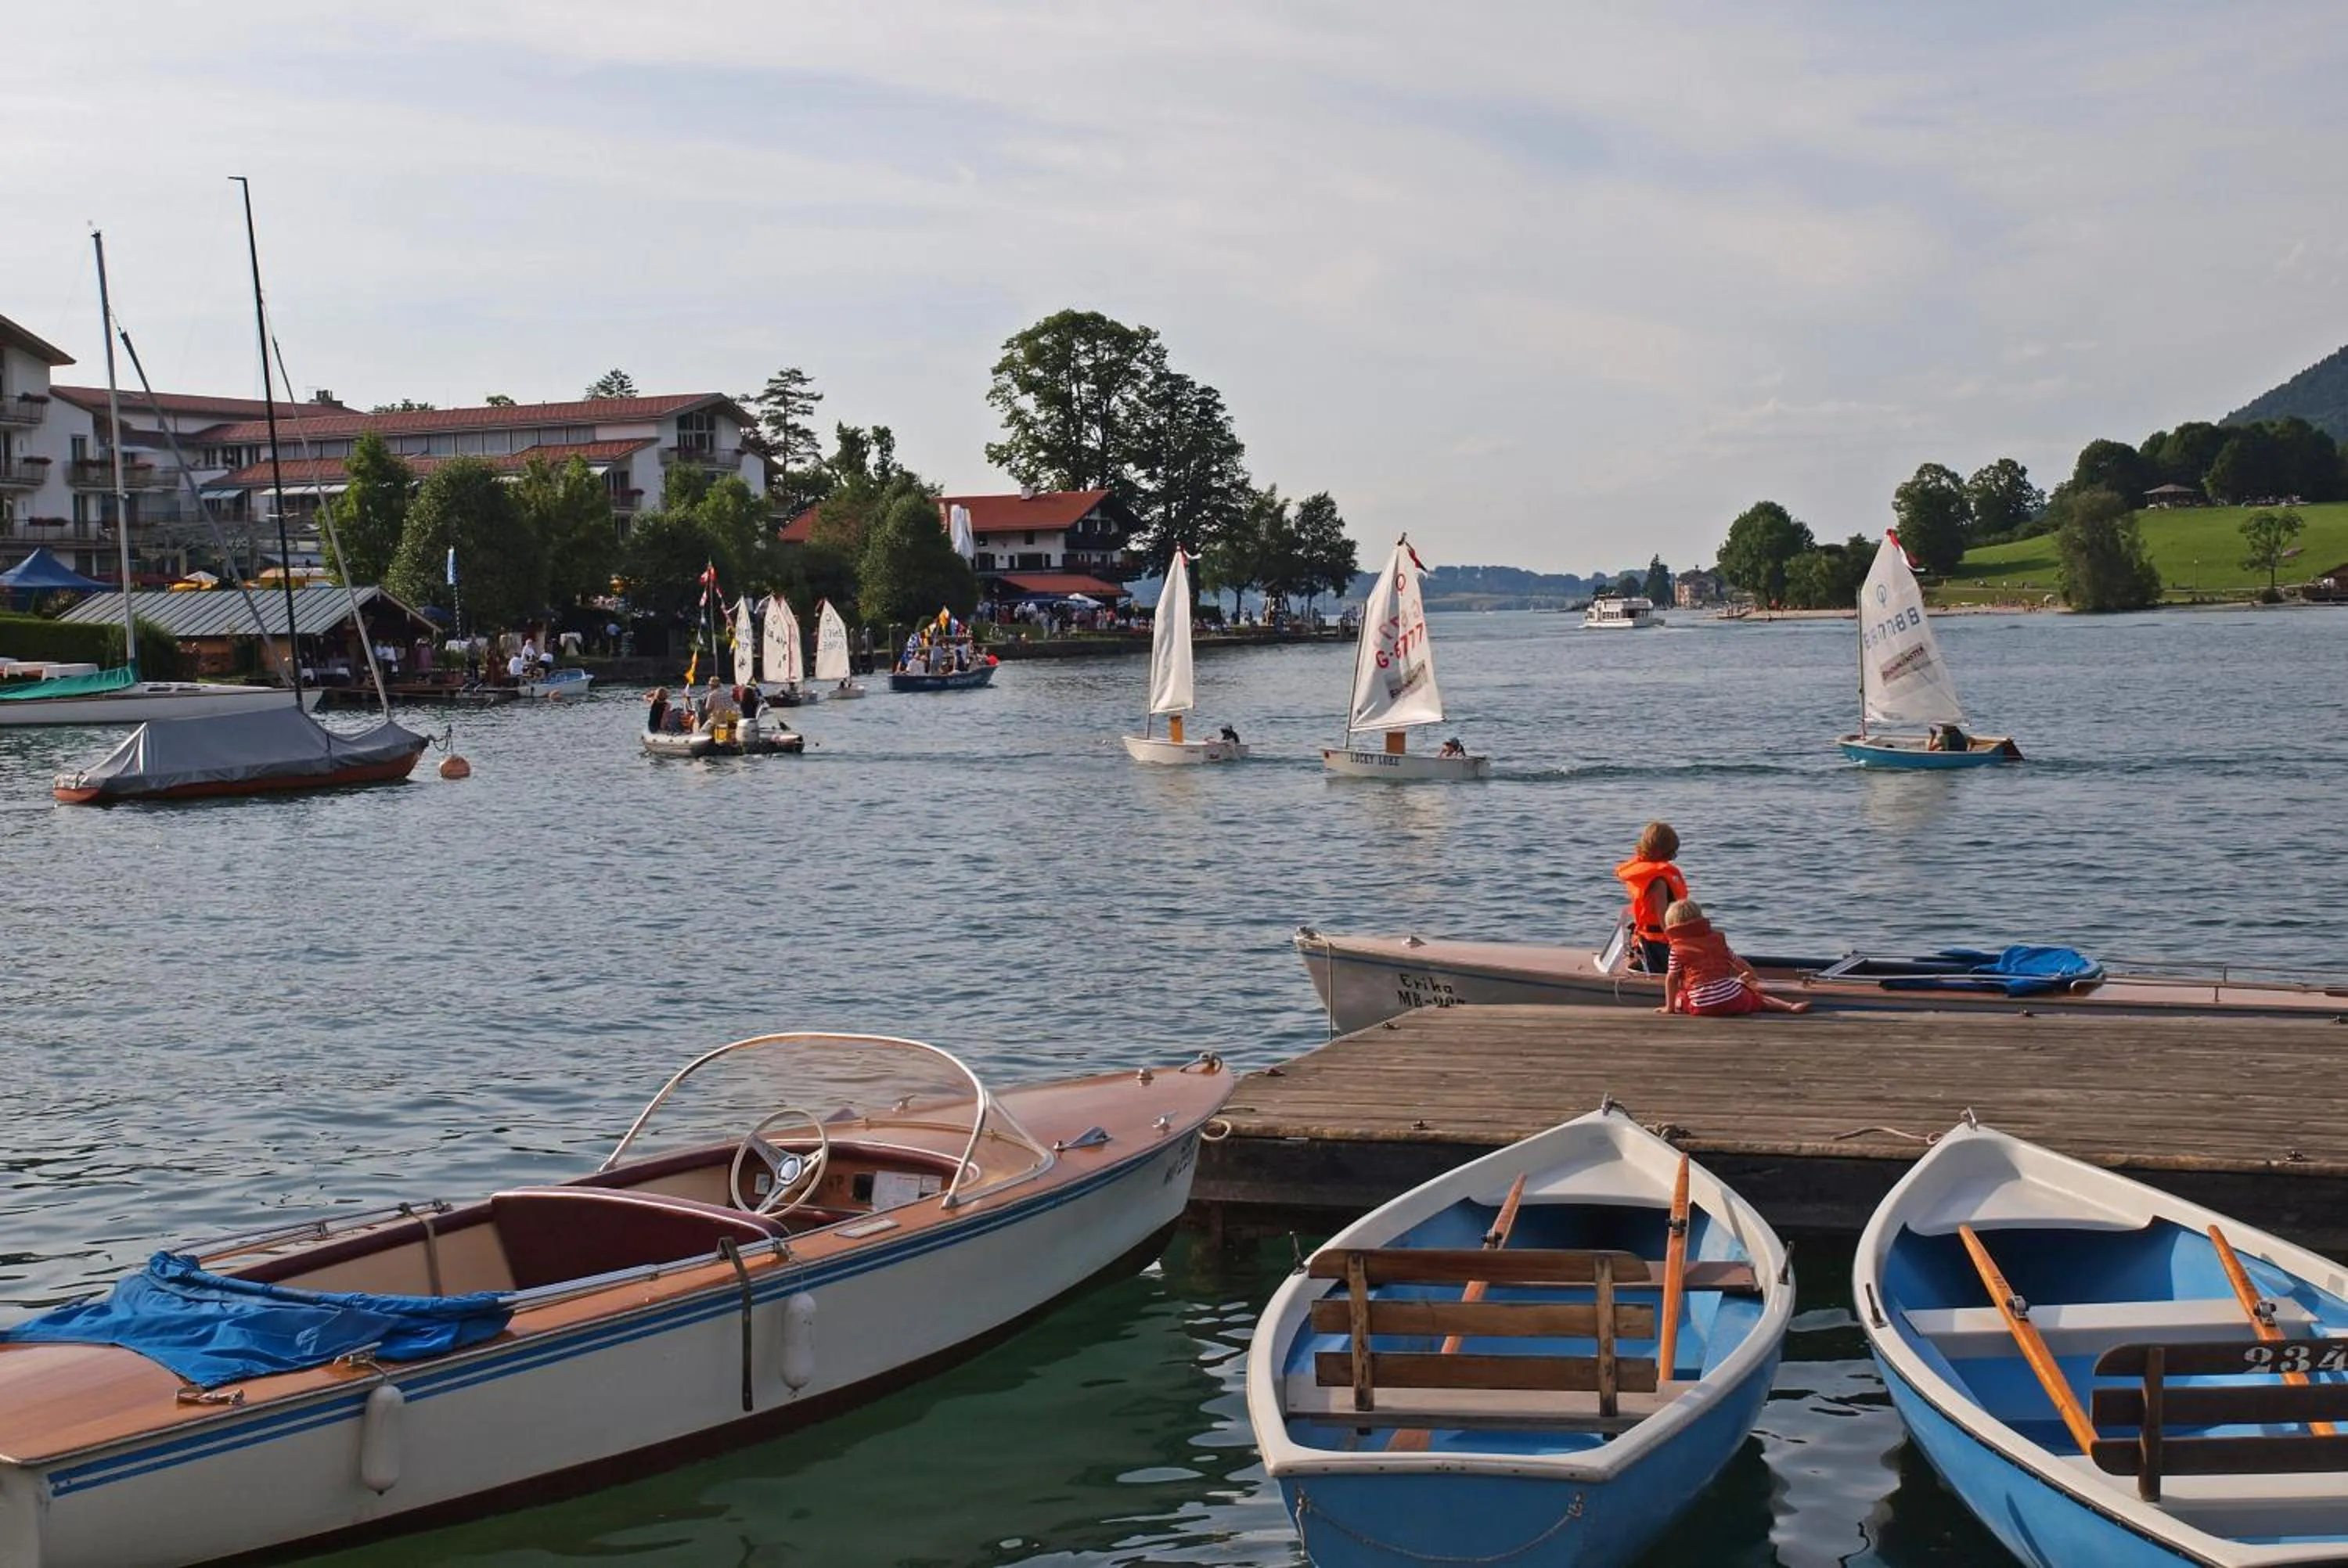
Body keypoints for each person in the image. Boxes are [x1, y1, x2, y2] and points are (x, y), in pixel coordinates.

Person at [1658, 900, 1810, 1016]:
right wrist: (1751, 975)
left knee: (1682, 996)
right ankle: (1789, 1006)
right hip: (1733, 999)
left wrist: (1669, 1007)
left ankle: (1675, 1006)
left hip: (1701, 1005)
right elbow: (1738, 962)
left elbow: (1672, 978)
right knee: (1758, 999)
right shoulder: (1718, 942)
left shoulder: (1677, 950)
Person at [1614, 822, 1687, 974]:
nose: (1673, 857)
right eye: (1672, 852)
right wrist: (1678, 945)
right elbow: (1663, 917)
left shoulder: (1644, 874)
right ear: (1663, 851)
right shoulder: (1658, 881)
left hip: (1646, 940)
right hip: (1659, 946)